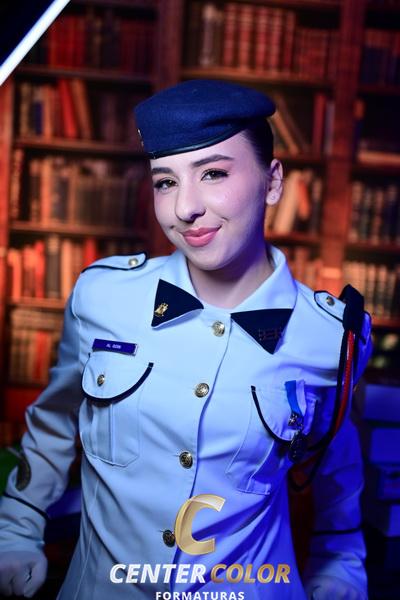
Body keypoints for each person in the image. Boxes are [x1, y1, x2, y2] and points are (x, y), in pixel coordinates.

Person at [0, 79, 372, 600]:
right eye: (166, 182)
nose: (184, 208)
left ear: (272, 182)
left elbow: (337, 472)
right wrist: (16, 531)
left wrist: (340, 568)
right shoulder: (103, 297)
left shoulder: (329, 336)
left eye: (213, 173)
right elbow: (54, 424)